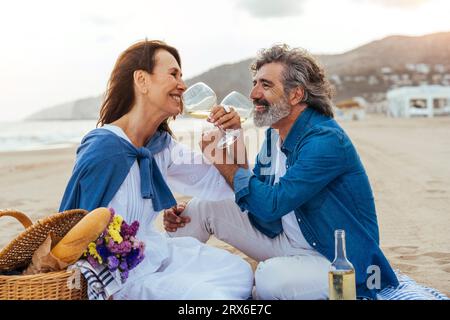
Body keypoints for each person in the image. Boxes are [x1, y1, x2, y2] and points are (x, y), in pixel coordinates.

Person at [164, 44, 399, 300]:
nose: (253, 93)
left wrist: (220, 161)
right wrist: (234, 137)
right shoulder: (274, 134)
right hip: (286, 240)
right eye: (254, 83)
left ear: (296, 94)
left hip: (336, 259)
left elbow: (270, 205)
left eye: (265, 85)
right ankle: (167, 282)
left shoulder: (325, 141)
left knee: (269, 279)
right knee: (197, 209)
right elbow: (254, 191)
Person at [59, 40, 253, 300]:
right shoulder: (103, 148)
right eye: (173, 74)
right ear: (142, 80)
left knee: (239, 272)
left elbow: (229, 186)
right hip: (121, 278)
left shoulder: (161, 146)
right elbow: (71, 229)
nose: (182, 85)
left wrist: (232, 137)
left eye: (181, 76)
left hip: (154, 254)